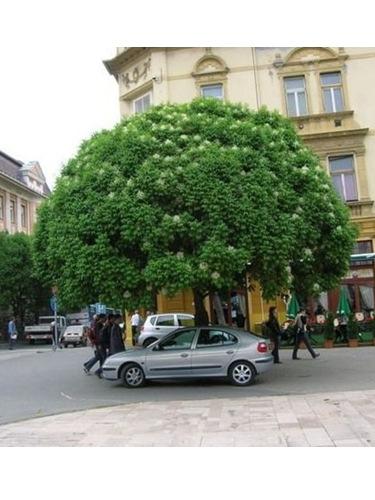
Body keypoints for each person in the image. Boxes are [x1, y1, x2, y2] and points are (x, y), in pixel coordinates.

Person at [94, 314, 114, 378]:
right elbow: (99, 335)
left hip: (102, 344)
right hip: (101, 344)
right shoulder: (98, 325)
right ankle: (99, 371)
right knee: (104, 358)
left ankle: (100, 371)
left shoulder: (102, 324)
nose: (105, 319)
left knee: (102, 358)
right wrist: (99, 344)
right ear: (101, 318)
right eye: (104, 318)